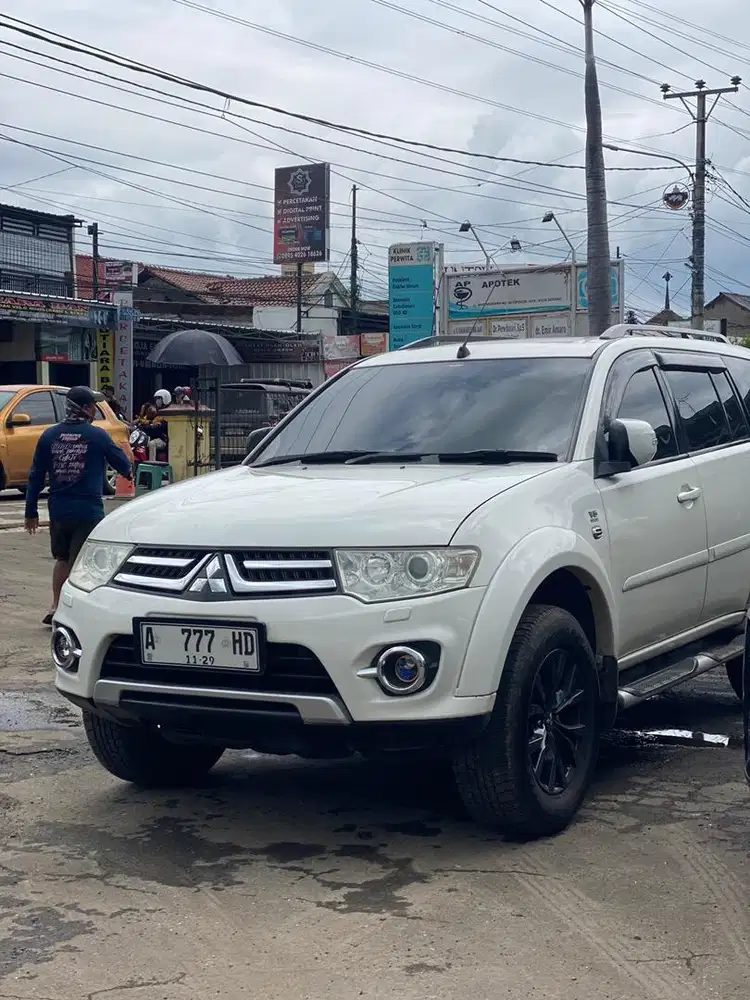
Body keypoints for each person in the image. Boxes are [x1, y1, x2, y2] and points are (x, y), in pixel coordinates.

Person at [24, 385, 132, 626]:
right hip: (88, 511)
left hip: (59, 510)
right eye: (92, 405)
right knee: (84, 563)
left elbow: (35, 475)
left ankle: (55, 605)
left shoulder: (50, 436)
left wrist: (30, 511)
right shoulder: (98, 436)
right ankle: (78, 612)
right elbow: (124, 466)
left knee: (62, 559)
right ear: (84, 408)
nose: (95, 409)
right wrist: (127, 466)